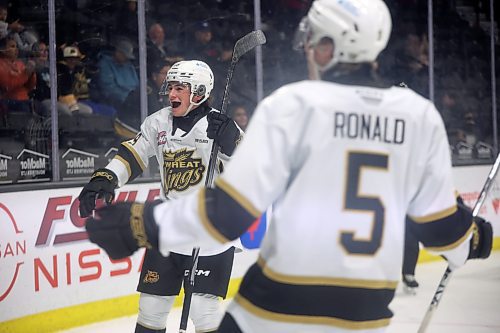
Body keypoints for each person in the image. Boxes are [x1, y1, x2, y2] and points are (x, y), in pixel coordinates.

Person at [84, 1, 493, 332]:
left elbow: (229, 211)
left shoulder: (293, 105)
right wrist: (475, 237)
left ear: (331, 47)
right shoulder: (418, 116)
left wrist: (142, 222)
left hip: (275, 310)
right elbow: (447, 233)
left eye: (313, 40)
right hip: (366, 315)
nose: (306, 48)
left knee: (208, 318)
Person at [78, 60, 243, 333]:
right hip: (169, 229)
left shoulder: (220, 127)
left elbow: (250, 165)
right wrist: (105, 178)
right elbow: (134, 153)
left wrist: (231, 141)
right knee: (151, 309)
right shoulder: (159, 121)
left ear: (199, 92)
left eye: (180, 88)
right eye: (170, 87)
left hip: (210, 232)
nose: (172, 94)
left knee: (204, 312)